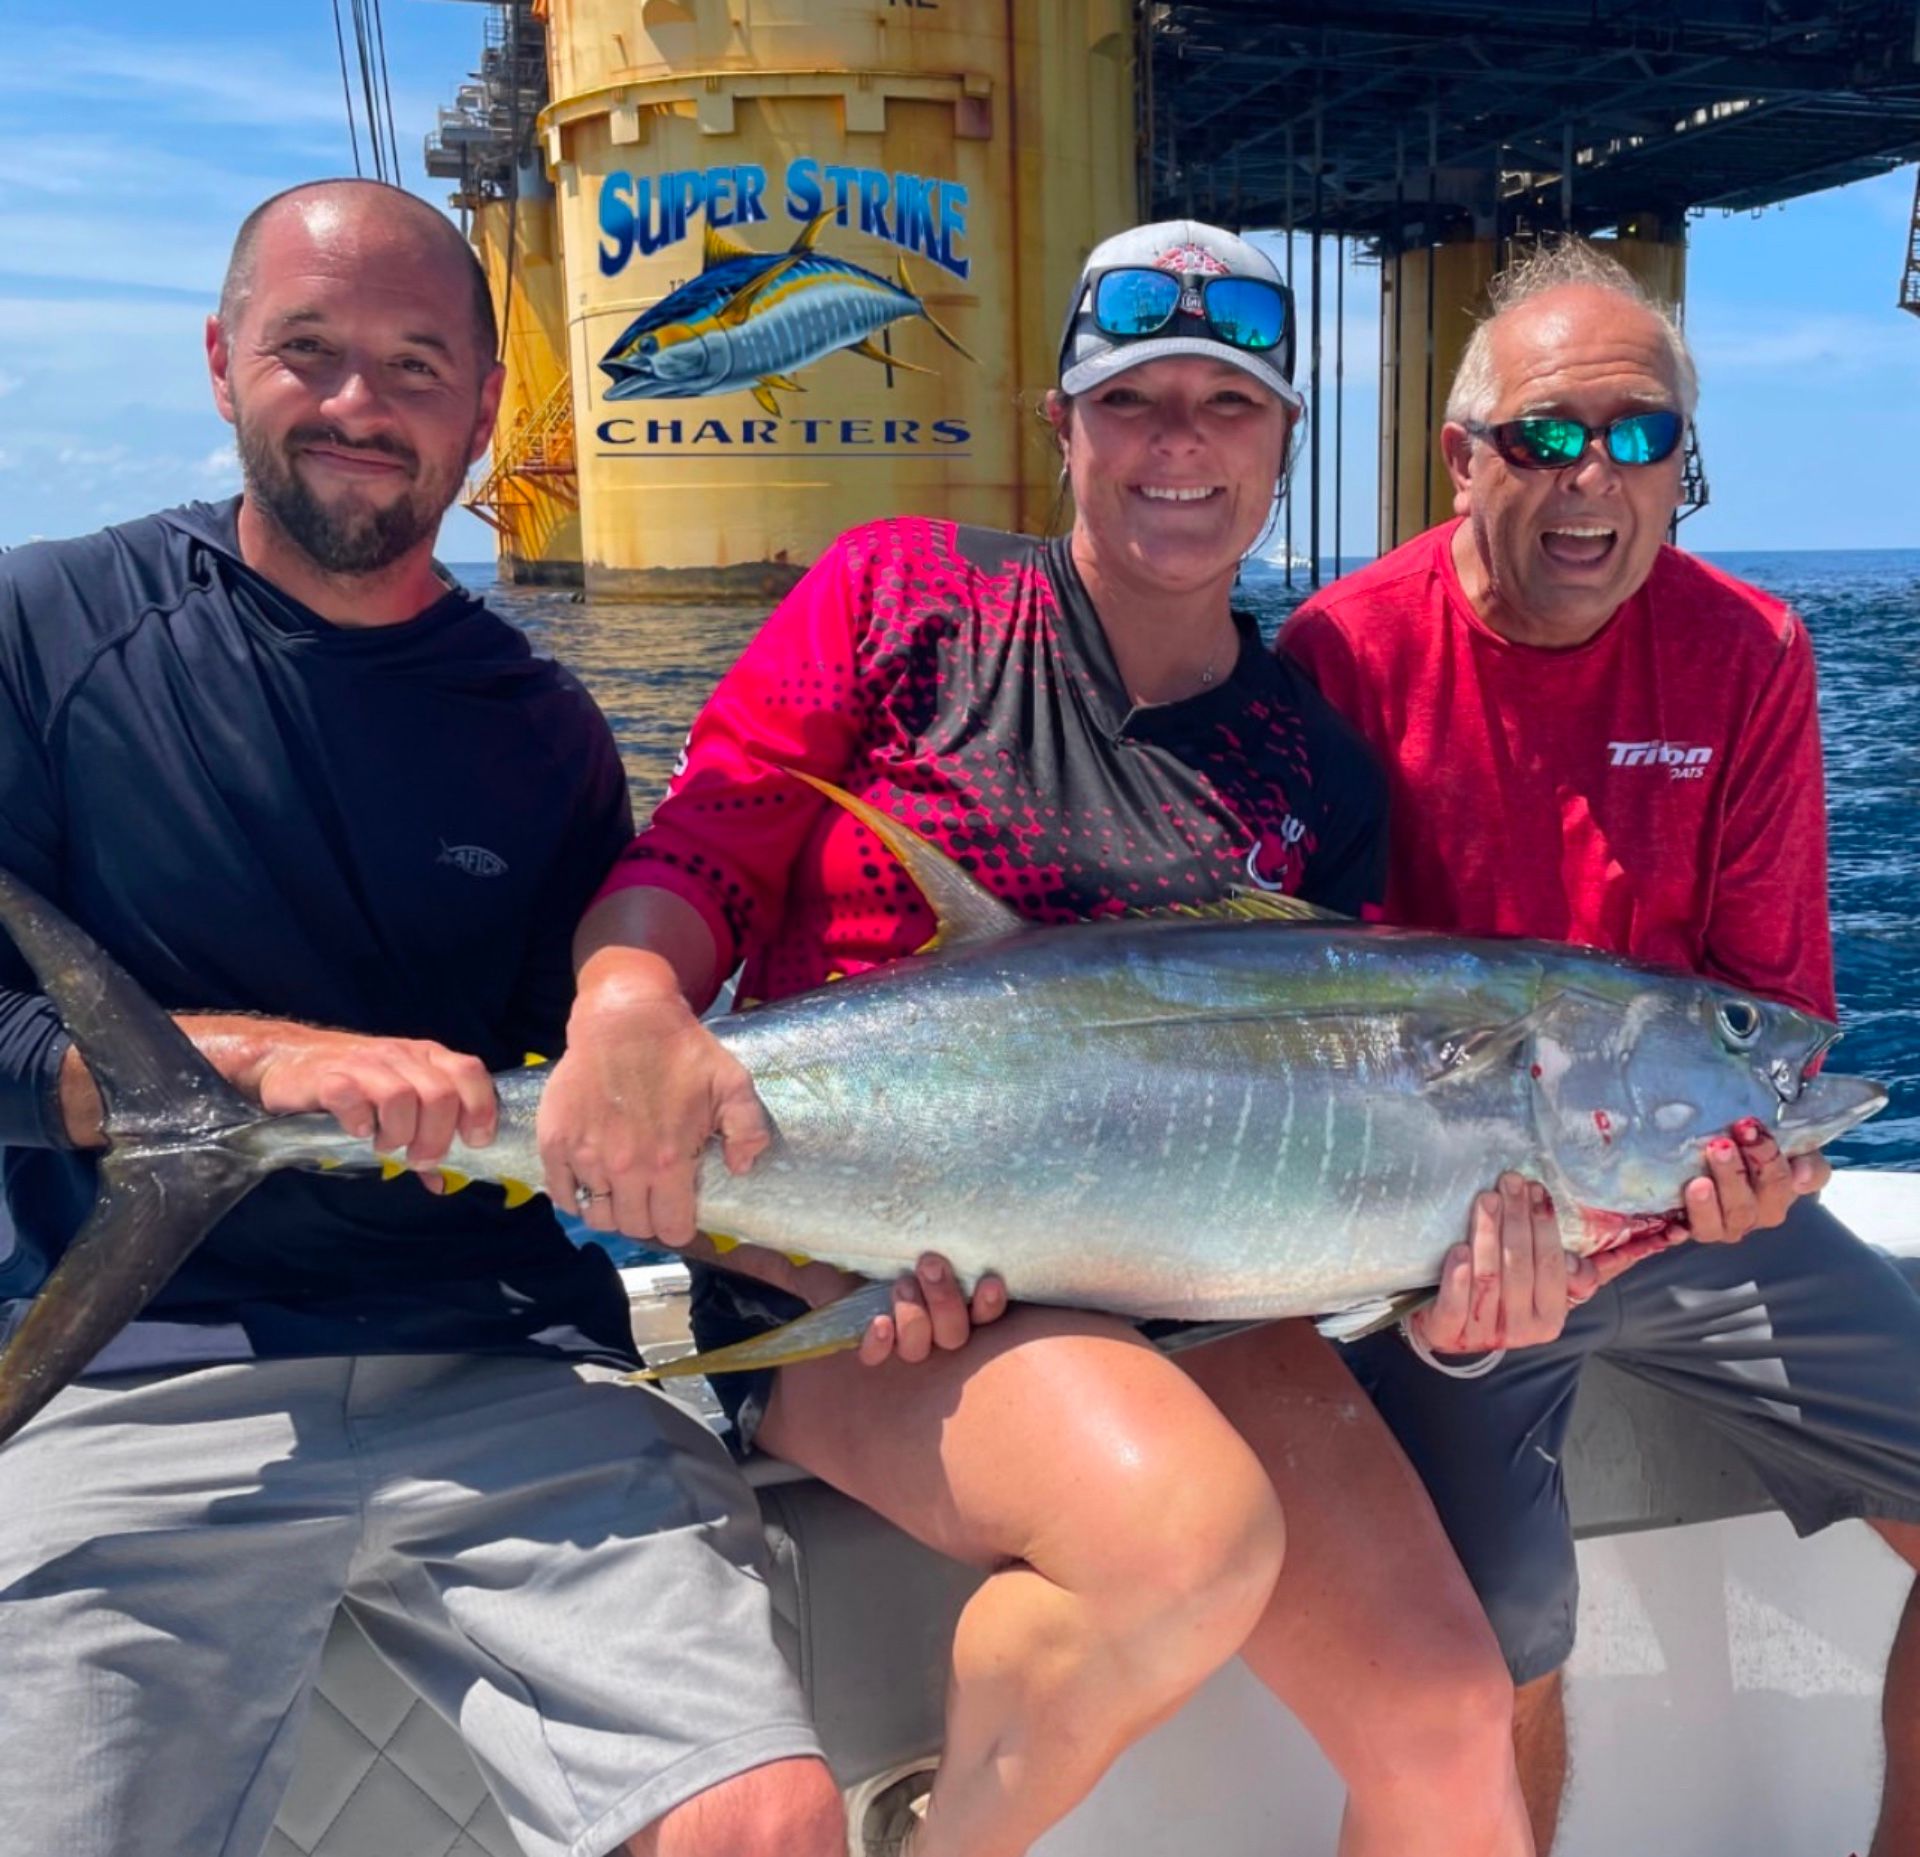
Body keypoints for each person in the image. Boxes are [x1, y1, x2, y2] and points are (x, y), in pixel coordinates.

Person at [539, 220, 1538, 1857]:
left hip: (1197, 1289)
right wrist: (633, 1006)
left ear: (1284, 446)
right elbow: (704, 849)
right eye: (1134, 400)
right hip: (853, 1268)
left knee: (1446, 1722)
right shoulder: (901, 598)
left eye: (1228, 405)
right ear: (1059, 427)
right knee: (1179, 1533)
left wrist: (1466, 1298)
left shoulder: (1318, 774)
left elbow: (1350, 1143)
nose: (1178, 445)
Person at [0, 179, 842, 1857]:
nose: (358, 407)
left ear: (483, 412)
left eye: (413, 363)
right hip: (143, 1373)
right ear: (222, 359)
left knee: (764, 1819)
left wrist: (834, 1274)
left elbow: (593, 1115)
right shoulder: (44, 631)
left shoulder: (544, 729)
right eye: (309, 351)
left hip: (507, 1365)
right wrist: (253, 1065)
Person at [1280, 238, 1920, 1856]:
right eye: (1546, 436)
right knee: (1490, 1658)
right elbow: (1292, 1023)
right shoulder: (1340, 659)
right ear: (1459, 456)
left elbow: (1772, 1016)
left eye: (1640, 439)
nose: (1593, 479)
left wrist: (1764, 1175)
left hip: (1688, 1223)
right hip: (1451, 1249)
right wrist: (1439, 1271)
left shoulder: (1751, 655)